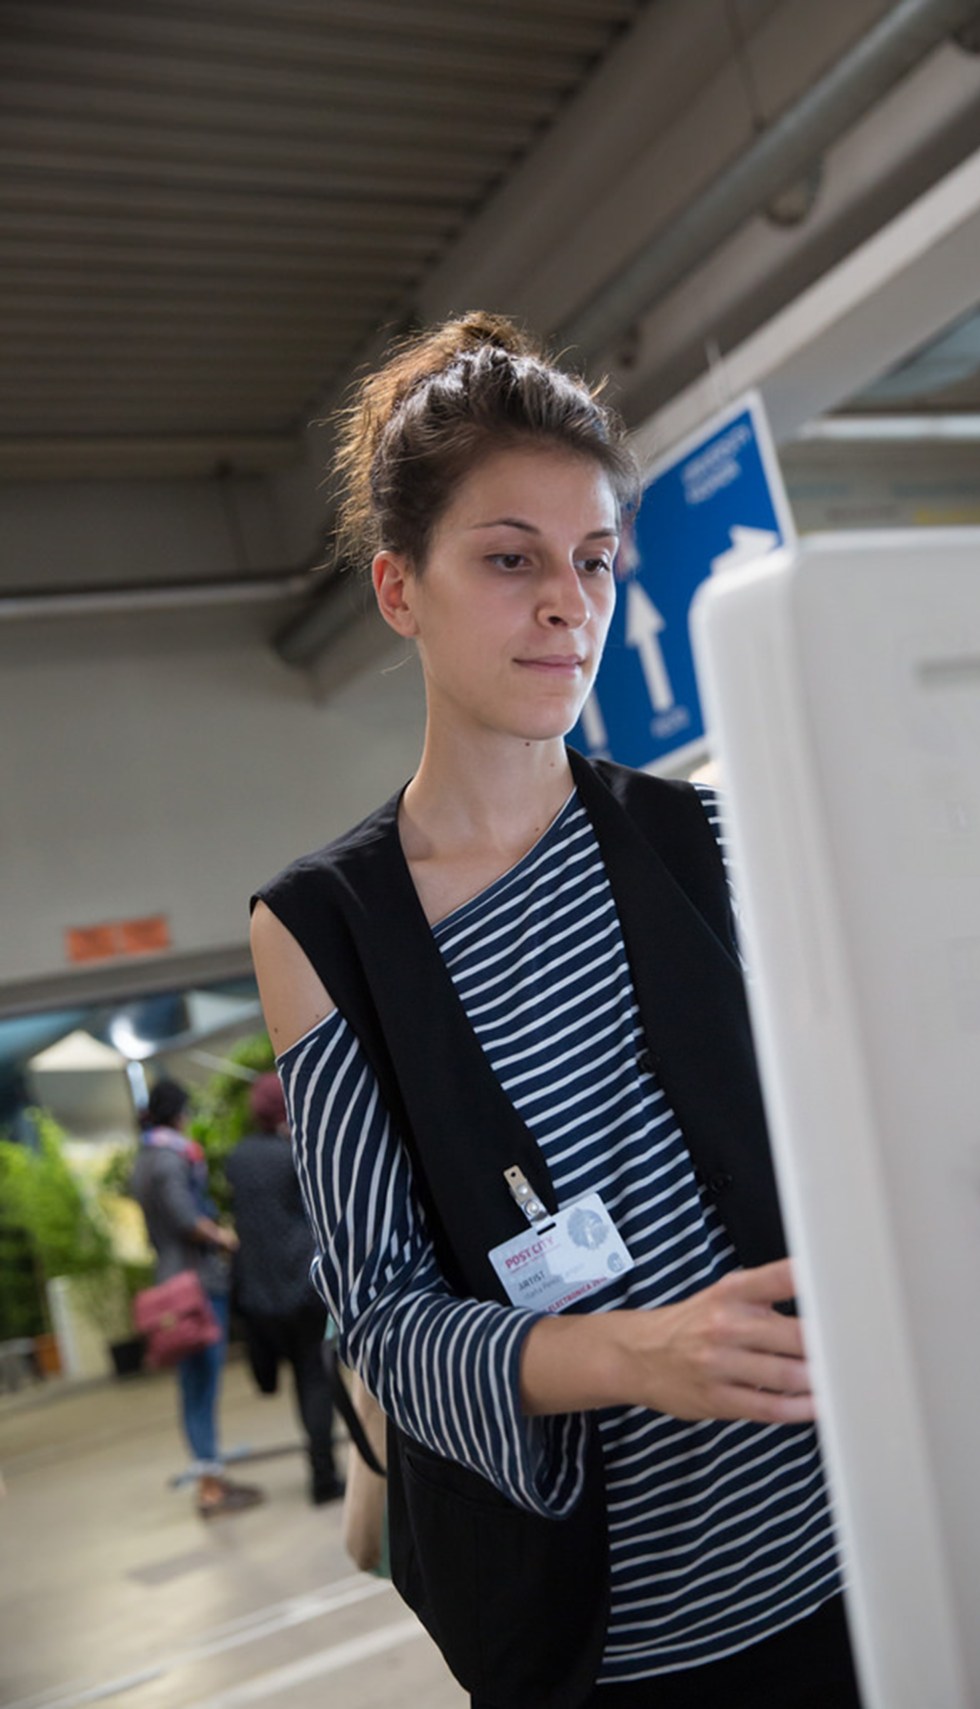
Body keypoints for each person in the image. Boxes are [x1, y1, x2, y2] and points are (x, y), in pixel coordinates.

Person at [250, 313, 861, 1709]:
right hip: (612, 1634)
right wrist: (635, 1352)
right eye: (511, 559)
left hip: (862, 1539)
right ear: (400, 589)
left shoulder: (703, 837)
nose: (567, 604)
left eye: (592, 560)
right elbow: (385, 1322)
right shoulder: (329, 930)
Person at [130, 1077, 264, 1519]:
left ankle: (211, 1475)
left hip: (170, 1279)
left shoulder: (144, 1158)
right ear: (178, 1114)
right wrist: (223, 1237)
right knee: (203, 1382)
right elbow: (185, 1217)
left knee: (193, 1385)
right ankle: (210, 1484)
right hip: (195, 1285)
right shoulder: (171, 1159)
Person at [224, 1072, 344, 1505]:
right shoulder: (294, 1154)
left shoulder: (238, 1158)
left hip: (263, 1292)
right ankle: (324, 1478)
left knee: (301, 1377)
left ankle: (320, 1466)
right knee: (316, 1379)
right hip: (303, 1286)